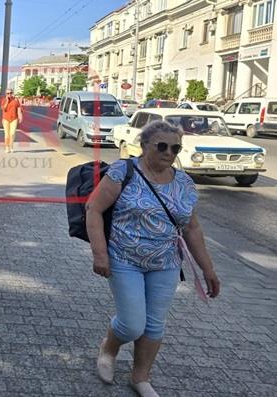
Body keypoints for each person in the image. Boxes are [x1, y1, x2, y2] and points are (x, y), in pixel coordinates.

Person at [85, 120, 220, 397]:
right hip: (124, 258)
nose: (168, 152)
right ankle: (108, 349)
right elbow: (93, 209)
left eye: (175, 148)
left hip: (166, 263)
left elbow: (192, 228)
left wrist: (208, 269)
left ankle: (140, 377)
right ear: (144, 145)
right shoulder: (123, 172)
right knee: (132, 323)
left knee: (154, 323)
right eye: (161, 146)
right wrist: (100, 254)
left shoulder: (184, 182)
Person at [0, 89, 23, 153]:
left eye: (10, 93)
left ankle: (11, 146)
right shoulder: (4, 100)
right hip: (5, 119)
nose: (9, 94)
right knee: (7, 134)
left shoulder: (15, 100)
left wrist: (20, 116)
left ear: (12, 93)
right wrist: (7, 101)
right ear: (6, 94)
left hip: (14, 119)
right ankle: (7, 147)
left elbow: (18, 108)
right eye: (8, 93)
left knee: (12, 134)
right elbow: (3, 109)